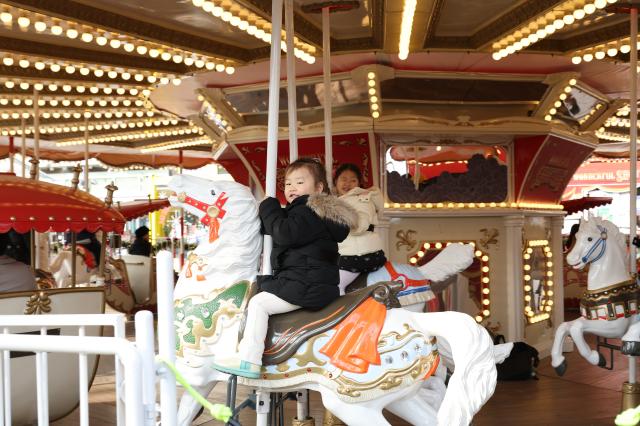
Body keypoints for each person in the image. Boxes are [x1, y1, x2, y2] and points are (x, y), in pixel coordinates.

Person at [212, 157, 357, 378]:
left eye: (300, 182)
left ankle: (249, 359)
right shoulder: (315, 214)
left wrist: (270, 207)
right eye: (288, 183)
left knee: (259, 303)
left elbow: (283, 233)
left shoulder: (308, 210)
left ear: (319, 188)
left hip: (305, 284)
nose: (292, 188)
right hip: (313, 283)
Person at [333, 163, 387, 294]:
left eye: (353, 180)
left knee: (334, 285)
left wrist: (347, 221)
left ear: (359, 183)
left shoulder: (362, 199)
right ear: (336, 181)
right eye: (343, 179)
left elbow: (360, 226)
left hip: (359, 255)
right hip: (349, 252)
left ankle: (342, 314)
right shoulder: (338, 201)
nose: (348, 183)